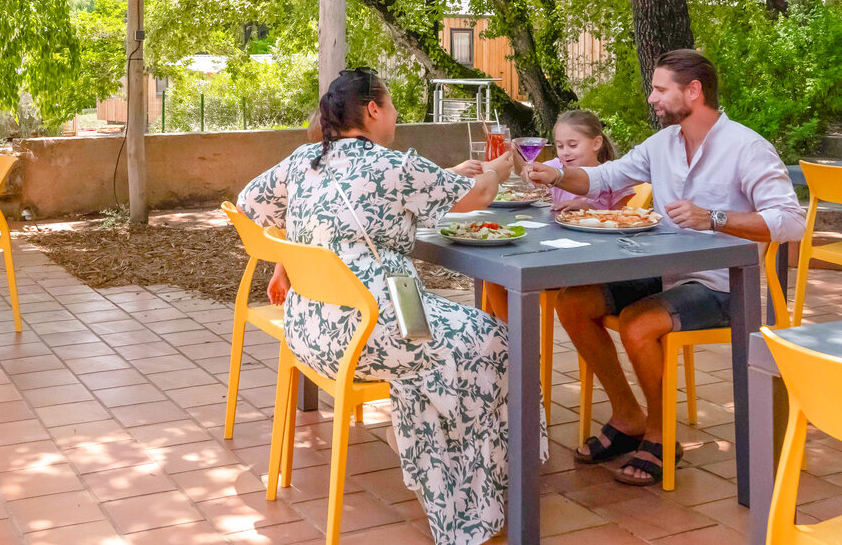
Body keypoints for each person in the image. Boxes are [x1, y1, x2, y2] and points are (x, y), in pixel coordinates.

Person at [239, 67, 543, 545]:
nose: (397, 115)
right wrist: (501, 166)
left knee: (445, 348)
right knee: (497, 339)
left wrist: (288, 257)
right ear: (373, 109)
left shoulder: (302, 160)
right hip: (374, 329)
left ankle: (455, 478)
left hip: (312, 331)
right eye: (393, 104)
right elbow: (481, 195)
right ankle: (481, 489)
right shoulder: (392, 164)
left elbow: (249, 206)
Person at [524, 49, 805, 486]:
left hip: (723, 283)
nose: (652, 98)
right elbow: (603, 178)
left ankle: (660, 434)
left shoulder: (746, 147)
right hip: (665, 272)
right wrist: (555, 176)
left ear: (693, 91)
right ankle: (628, 416)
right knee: (572, 302)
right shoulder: (662, 144)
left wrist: (715, 217)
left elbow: (791, 221)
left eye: (659, 89)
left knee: (638, 323)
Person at [483, 109, 637, 320]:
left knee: (507, 275)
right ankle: (515, 347)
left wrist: (589, 207)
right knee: (496, 276)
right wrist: (514, 155)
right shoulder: (557, 168)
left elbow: (622, 221)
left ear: (596, 143)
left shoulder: (615, 178)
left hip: (593, 263)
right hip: (555, 253)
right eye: (560, 145)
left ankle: (518, 348)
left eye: (573, 145)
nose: (565, 152)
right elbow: (527, 172)